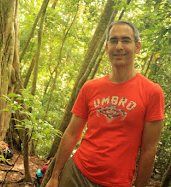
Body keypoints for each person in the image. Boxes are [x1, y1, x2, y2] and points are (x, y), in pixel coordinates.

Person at [46, 20, 165, 187]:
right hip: (76, 174)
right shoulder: (90, 87)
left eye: (126, 40)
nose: (119, 46)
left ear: (137, 47)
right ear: (106, 47)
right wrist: (55, 175)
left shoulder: (152, 92)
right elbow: (72, 133)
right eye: (113, 40)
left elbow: (148, 150)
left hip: (117, 182)